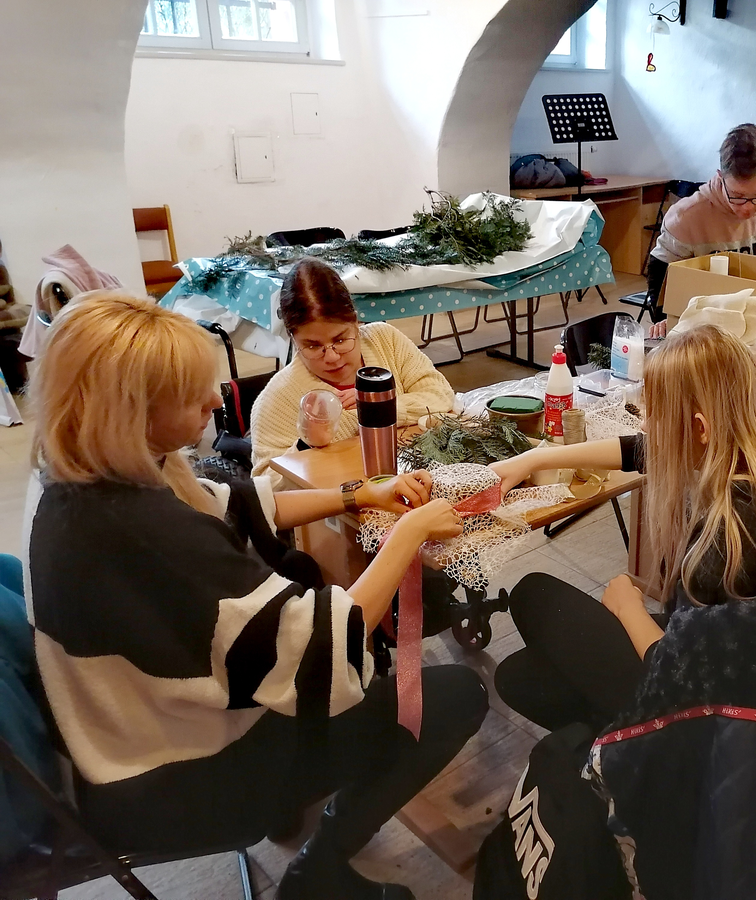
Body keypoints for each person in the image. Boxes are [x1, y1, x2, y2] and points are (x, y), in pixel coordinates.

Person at [24, 294, 488, 900]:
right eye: (192, 395)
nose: (215, 401)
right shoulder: (137, 531)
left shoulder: (76, 476)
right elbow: (323, 652)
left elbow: (234, 503)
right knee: (448, 697)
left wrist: (360, 493)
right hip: (171, 779)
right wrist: (410, 533)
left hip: (120, 736)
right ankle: (320, 867)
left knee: (307, 581)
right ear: (129, 411)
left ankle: (300, 813)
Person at [487, 324, 756, 732]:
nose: (645, 426)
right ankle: (606, 734)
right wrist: (533, 459)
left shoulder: (727, 542)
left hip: (714, 710)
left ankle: (636, 751)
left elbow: (681, 673)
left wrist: (628, 607)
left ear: (701, 427)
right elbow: (644, 450)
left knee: (533, 594)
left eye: (654, 415)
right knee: (520, 677)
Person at [251, 258, 455, 487]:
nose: (331, 357)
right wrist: (306, 443)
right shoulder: (278, 397)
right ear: (293, 338)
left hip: (413, 481)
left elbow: (441, 395)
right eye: (313, 346)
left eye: (340, 340)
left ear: (356, 322)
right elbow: (264, 489)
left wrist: (381, 410)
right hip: (341, 502)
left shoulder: (386, 340)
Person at [644, 124, 756, 321]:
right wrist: (664, 321)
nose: (748, 208)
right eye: (737, 195)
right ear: (720, 177)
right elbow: (659, 282)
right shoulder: (686, 217)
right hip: (712, 321)